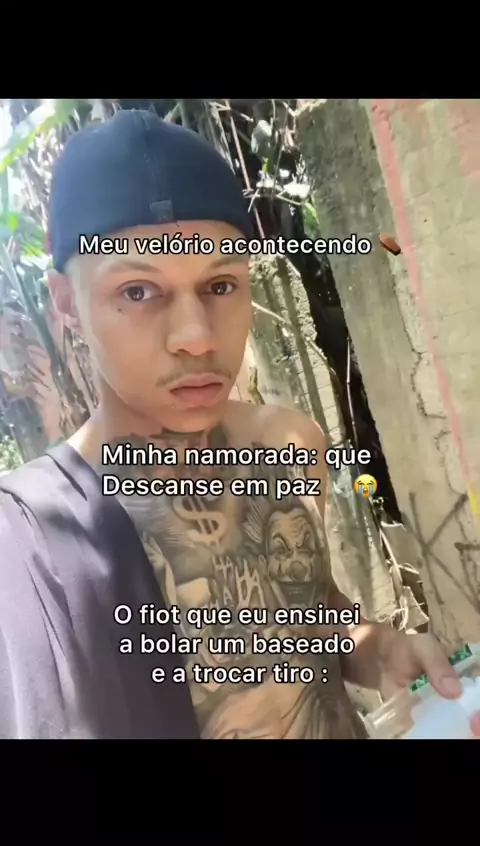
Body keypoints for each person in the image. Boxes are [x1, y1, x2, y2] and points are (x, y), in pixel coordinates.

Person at [0, 110, 475, 740]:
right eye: (137, 292)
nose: (196, 336)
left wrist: (379, 648)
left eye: (220, 284)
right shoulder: (35, 541)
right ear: (66, 303)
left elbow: (310, 612)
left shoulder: (288, 444)